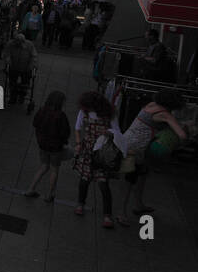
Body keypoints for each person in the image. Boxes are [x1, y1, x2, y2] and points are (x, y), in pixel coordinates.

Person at [112, 90, 189, 225]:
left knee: (142, 175)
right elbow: (182, 135)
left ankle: (138, 204)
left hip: (129, 142)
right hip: (136, 150)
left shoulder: (151, 105)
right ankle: (121, 213)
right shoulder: (165, 114)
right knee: (129, 180)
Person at [71, 91, 115, 224]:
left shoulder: (109, 114)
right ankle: (81, 204)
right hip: (88, 150)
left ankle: (107, 215)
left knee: (103, 184)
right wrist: (78, 143)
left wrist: (108, 133)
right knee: (84, 180)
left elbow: (117, 131)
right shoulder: (84, 112)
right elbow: (77, 128)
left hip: (102, 152)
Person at [24, 91, 70, 201]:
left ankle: (31, 188)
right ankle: (50, 194)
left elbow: (35, 123)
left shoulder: (42, 111)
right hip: (56, 147)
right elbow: (65, 132)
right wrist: (64, 142)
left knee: (44, 166)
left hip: (43, 145)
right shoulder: (61, 115)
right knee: (54, 170)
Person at [3, 31, 37, 103]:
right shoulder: (10, 44)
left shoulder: (29, 45)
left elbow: (34, 56)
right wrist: (8, 61)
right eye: (16, 41)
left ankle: (22, 96)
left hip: (26, 67)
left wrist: (31, 66)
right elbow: (7, 54)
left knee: (25, 83)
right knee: (12, 82)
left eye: (20, 42)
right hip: (14, 66)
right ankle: (13, 96)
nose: (18, 43)